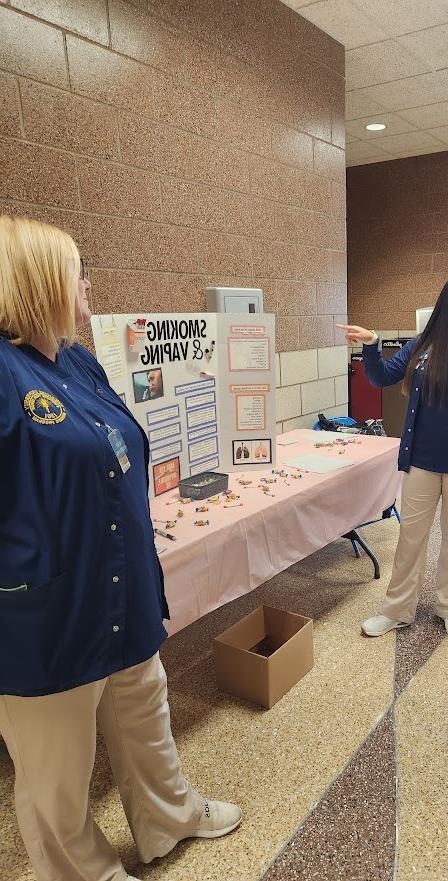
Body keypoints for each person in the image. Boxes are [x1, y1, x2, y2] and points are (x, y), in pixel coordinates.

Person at [0, 215, 241, 881]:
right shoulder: (2, 371)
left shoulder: (75, 359)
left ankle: (170, 816)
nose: (87, 284)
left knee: (145, 715)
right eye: (77, 271)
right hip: (46, 614)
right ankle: (87, 872)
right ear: (39, 280)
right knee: (55, 774)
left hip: (122, 590)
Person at [338, 270, 448, 639]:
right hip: (421, 460)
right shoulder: (425, 345)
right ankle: (396, 609)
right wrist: (372, 344)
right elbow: (382, 376)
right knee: (411, 538)